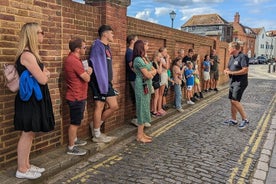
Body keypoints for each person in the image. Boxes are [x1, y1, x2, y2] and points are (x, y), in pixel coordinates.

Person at [14, 22, 55, 179]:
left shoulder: (30, 54)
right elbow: (43, 79)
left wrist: (45, 74)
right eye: (40, 32)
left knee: (30, 133)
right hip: (30, 100)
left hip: (32, 98)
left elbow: (43, 75)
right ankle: (21, 170)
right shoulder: (28, 55)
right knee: (27, 133)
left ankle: (26, 165)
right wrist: (46, 74)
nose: (42, 35)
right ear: (31, 34)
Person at [89, 25, 119, 143]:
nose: (112, 36)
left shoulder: (107, 47)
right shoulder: (97, 46)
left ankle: (96, 125)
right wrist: (102, 82)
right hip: (99, 81)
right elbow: (96, 65)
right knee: (99, 106)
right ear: (105, 34)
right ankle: (97, 134)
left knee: (114, 106)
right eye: (111, 33)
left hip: (107, 82)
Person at [64, 38, 93, 156]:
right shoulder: (73, 61)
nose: (85, 49)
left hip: (79, 95)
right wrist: (89, 72)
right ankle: (71, 147)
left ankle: (74, 139)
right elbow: (86, 78)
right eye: (84, 47)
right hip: (76, 96)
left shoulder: (75, 59)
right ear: (77, 49)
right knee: (75, 123)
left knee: (77, 120)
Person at [133, 40, 156, 143]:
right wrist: (151, 73)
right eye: (146, 45)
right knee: (141, 108)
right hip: (141, 85)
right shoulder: (138, 59)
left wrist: (151, 73)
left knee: (145, 107)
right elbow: (148, 75)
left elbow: (154, 70)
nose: (148, 47)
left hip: (147, 84)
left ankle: (142, 133)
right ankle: (139, 135)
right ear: (140, 47)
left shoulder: (144, 58)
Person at [223, 41, 249, 129]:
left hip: (240, 82)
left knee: (235, 101)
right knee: (232, 100)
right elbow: (228, 67)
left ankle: (245, 120)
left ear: (234, 48)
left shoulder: (243, 57)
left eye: (229, 48)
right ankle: (234, 120)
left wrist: (232, 72)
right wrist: (226, 70)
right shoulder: (231, 58)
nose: (228, 49)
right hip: (232, 82)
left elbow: (245, 70)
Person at [125, 34, 139, 127]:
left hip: (136, 78)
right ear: (132, 41)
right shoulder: (129, 52)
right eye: (136, 40)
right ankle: (136, 118)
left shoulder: (133, 52)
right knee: (137, 98)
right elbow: (132, 67)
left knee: (138, 98)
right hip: (133, 78)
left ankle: (138, 117)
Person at [158, 47, 171, 114]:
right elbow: (167, 67)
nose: (166, 53)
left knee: (161, 93)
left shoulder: (163, 59)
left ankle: (160, 108)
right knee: (161, 93)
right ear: (161, 52)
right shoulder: (162, 59)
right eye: (165, 52)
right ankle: (159, 108)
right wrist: (168, 59)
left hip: (164, 75)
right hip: (163, 75)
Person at [151, 51, 163, 116]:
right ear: (156, 57)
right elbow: (159, 72)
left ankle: (153, 109)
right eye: (160, 57)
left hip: (156, 81)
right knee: (156, 96)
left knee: (154, 96)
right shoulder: (154, 63)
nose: (160, 58)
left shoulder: (155, 63)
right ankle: (155, 111)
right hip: (155, 81)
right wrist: (161, 64)